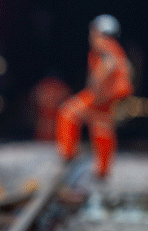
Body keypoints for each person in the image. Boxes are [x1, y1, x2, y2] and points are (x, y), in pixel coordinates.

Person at [56, 14, 133, 179]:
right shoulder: (117, 48)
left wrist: (96, 83)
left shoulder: (104, 44)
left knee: (68, 112)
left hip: (101, 95)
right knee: (102, 127)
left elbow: (109, 64)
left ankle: (68, 154)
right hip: (111, 96)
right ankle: (103, 169)